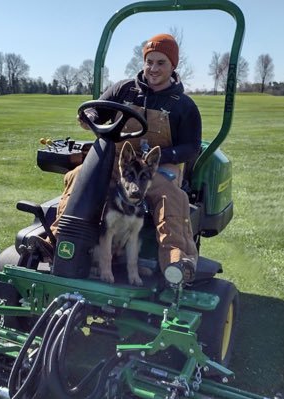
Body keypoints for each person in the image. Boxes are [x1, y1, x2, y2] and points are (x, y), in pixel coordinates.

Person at [53, 33, 201, 283]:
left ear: (173, 66)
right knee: (78, 177)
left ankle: (176, 262)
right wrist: (90, 115)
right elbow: (98, 110)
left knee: (172, 198)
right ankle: (58, 241)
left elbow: (191, 147)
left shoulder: (183, 106)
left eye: (161, 63)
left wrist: (161, 156)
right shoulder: (124, 89)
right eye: (149, 61)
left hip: (155, 168)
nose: (153, 68)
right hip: (118, 163)